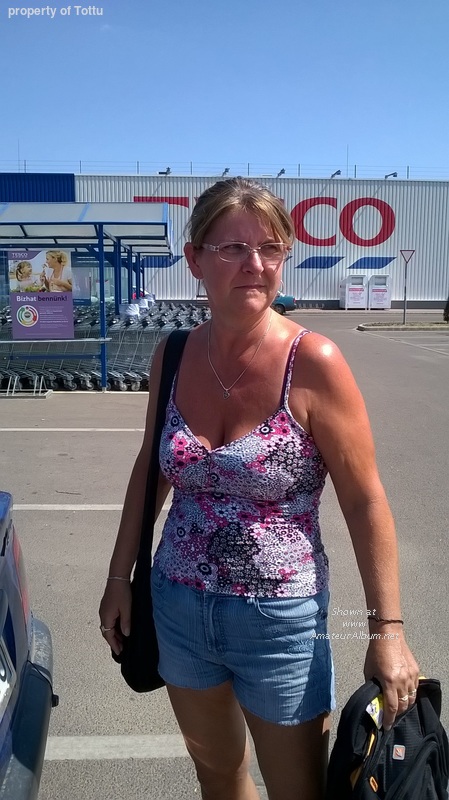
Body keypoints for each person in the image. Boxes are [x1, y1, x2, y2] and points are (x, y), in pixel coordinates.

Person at [99, 178, 419, 800]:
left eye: (270, 248)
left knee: (297, 789)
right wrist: (119, 579)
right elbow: (150, 469)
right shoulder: (172, 354)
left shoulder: (314, 362)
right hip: (178, 606)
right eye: (232, 248)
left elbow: (364, 501)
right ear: (194, 260)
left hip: (279, 621)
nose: (254, 264)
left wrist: (389, 629)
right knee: (217, 775)